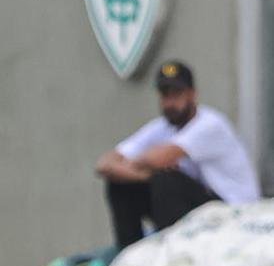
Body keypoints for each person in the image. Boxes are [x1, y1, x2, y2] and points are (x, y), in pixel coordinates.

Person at [95, 60, 260, 248]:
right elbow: (104, 164)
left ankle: (173, 251)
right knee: (121, 185)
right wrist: (144, 172)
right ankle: (127, 252)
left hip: (232, 212)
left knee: (165, 180)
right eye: (165, 95)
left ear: (192, 94)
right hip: (203, 210)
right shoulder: (162, 127)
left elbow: (158, 159)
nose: (170, 103)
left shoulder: (210, 124)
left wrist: (147, 167)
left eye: (177, 94)